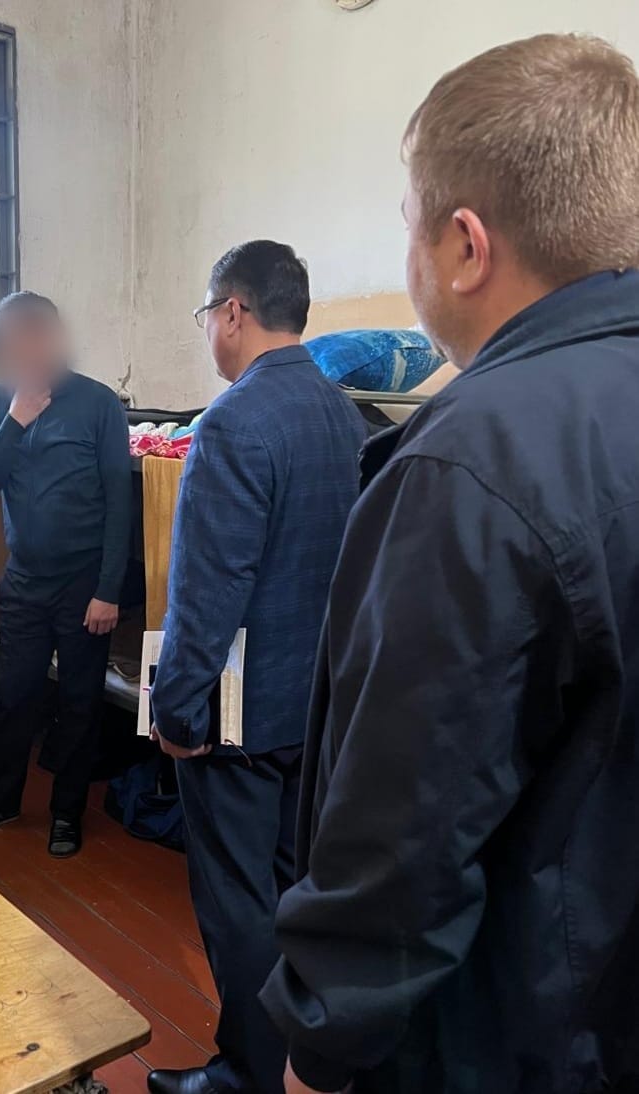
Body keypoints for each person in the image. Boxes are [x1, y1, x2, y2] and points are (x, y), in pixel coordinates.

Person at [261, 34, 639, 1094]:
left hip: (503, 1026)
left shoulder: (473, 460)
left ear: (465, 246)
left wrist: (320, 1044)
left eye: (408, 225)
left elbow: (405, 827)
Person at [147, 241, 367, 1094]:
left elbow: (208, 593)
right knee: (289, 892)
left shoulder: (232, 422)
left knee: (236, 906)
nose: (209, 330)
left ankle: (247, 1073)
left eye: (208, 315)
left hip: (235, 723)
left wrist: (176, 712)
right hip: (314, 708)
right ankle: (289, 1063)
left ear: (233, 312)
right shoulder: (345, 416)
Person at [0, 292, 131, 858]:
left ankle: (67, 813)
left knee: (79, 701)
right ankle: (2, 800)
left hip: (84, 584)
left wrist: (108, 590)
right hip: (24, 581)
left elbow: (119, 502)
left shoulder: (99, 403)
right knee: (16, 696)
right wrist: (15, 419)